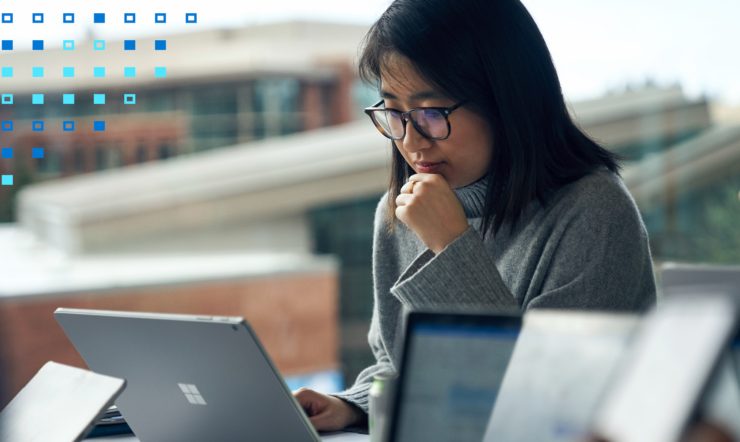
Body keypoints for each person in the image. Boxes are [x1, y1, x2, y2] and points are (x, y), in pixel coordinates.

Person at [293, 0, 657, 431]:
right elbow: (398, 365)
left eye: (431, 112)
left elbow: (548, 401)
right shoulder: (399, 211)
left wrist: (452, 247)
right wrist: (353, 405)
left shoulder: (593, 211)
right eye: (394, 113)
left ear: (505, 100)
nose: (411, 141)